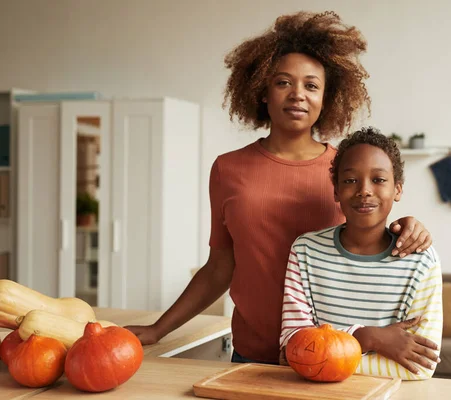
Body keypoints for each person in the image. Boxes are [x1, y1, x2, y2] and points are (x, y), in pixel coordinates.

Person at [125, 11, 433, 365]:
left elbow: (371, 242)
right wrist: (158, 329)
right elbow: (219, 267)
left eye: (311, 85)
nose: (297, 95)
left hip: (334, 357)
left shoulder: (346, 174)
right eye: (283, 82)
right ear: (262, 91)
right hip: (251, 354)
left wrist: (409, 226)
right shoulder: (228, 169)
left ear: (326, 97)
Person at [280, 127, 442, 380]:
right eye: (350, 180)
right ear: (335, 190)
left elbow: (420, 366)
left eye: (378, 180)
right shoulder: (305, 251)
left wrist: (320, 356)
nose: (364, 190)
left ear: (397, 190)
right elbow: (290, 350)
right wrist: (369, 337)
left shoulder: (420, 259)